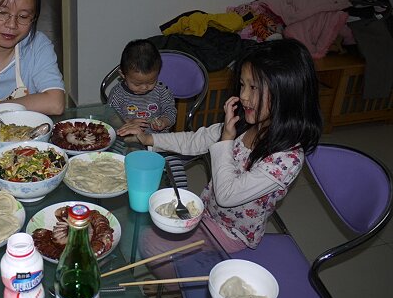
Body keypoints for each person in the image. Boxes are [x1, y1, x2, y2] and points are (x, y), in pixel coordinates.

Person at [124, 39, 323, 254]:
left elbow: (226, 195)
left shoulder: (287, 159)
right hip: (207, 213)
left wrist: (226, 140)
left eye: (254, 87)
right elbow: (194, 140)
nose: (244, 96)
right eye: (243, 84)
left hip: (231, 234)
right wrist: (149, 139)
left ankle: (188, 277)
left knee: (150, 245)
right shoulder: (245, 124)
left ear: (287, 93)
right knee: (145, 228)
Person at [108, 39, 177, 135]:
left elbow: (170, 111)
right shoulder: (117, 93)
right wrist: (127, 123)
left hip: (156, 140)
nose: (144, 87)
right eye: (137, 84)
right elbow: (111, 116)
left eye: (151, 81)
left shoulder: (162, 90)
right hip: (129, 139)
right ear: (123, 74)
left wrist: (164, 121)